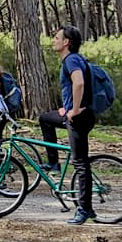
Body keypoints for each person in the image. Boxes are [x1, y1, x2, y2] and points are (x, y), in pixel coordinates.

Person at [38, 25, 96, 226]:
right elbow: (74, 87)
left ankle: (85, 209)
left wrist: (74, 109)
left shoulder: (71, 59)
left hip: (79, 118)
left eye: (56, 37)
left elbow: (78, 83)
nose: (53, 40)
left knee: (80, 163)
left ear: (66, 43)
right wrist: (66, 107)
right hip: (75, 114)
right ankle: (53, 162)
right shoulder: (72, 60)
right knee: (45, 119)